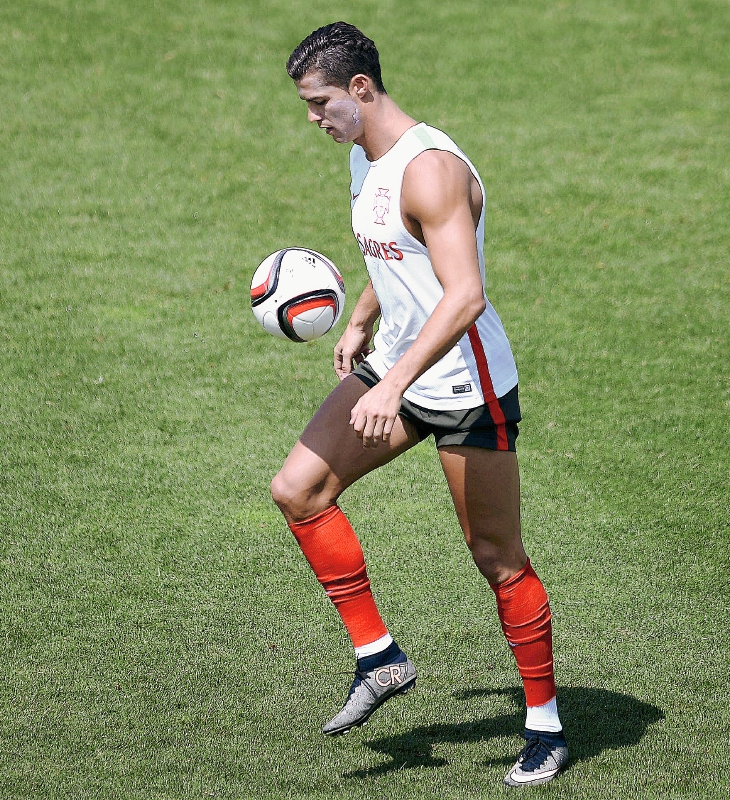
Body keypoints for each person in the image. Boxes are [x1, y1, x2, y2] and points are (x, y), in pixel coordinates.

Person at [272, 22, 568, 787]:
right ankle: (380, 658)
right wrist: (366, 313)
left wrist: (396, 382)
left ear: (361, 89)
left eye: (320, 103)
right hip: (400, 360)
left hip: (465, 386)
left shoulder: (430, 170)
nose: (314, 117)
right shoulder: (362, 157)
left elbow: (465, 294)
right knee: (298, 490)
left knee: (496, 559)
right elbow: (395, 247)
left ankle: (545, 725)